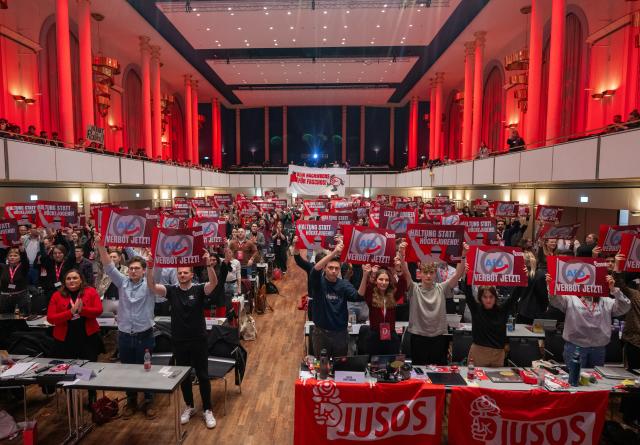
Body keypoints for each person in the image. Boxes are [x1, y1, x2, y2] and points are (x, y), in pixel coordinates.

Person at [146, 251, 218, 429]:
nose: (182, 275)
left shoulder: (199, 289)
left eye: (185, 272)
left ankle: (207, 409)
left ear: (192, 275)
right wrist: (149, 267)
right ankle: (190, 406)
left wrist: (209, 265)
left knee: (202, 375)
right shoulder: (171, 291)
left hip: (199, 339)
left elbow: (214, 283)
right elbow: (152, 286)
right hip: (179, 340)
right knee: (184, 376)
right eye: (179, 273)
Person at [95, 233, 159, 419]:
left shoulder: (149, 285)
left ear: (143, 270)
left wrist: (153, 261)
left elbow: (156, 271)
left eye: (137, 268)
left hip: (144, 334)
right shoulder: (122, 282)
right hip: (124, 335)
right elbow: (108, 265)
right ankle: (131, 401)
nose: (132, 271)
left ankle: (148, 401)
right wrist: (101, 246)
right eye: (130, 268)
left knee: (146, 369)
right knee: (127, 369)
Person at [399, 241, 468, 365]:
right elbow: (406, 273)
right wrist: (402, 255)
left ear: (435, 274)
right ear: (420, 274)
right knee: (419, 371)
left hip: (438, 337)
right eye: (425, 273)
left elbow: (458, 274)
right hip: (418, 336)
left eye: (431, 273)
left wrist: (463, 255)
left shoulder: (442, 287)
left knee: (438, 372)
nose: (428, 276)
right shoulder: (414, 288)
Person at [546, 273, 630, 367]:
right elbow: (555, 300)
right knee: (574, 378)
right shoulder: (571, 298)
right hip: (575, 347)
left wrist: (614, 290)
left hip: (598, 349)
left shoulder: (605, 300)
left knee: (595, 380)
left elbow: (625, 307)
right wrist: (551, 285)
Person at [46, 269, 103, 403]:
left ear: (81, 280)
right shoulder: (57, 295)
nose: (71, 281)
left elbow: (98, 311)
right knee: (68, 369)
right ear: (64, 282)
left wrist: (82, 310)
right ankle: (71, 399)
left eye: (75, 278)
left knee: (89, 368)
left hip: (87, 337)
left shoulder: (91, 291)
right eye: (68, 279)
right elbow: (51, 318)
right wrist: (70, 313)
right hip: (65, 339)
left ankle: (92, 396)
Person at [463, 264, 525, 367]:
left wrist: (523, 276)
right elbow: (468, 293)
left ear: (495, 298)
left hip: (498, 354)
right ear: (480, 298)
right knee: (476, 382)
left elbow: (515, 296)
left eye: (491, 297)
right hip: (478, 352)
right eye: (485, 297)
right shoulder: (476, 309)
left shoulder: (502, 310)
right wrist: (467, 275)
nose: (488, 300)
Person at [309, 240, 361, 358]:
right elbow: (314, 270)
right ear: (325, 269)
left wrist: (366, 274)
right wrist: (333, 254)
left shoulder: (343, 284)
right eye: (330, 268)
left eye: (336, 268)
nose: (333, 271)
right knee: (322, 369)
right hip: (321, 333)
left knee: (339, 369)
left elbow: (358, 297)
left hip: (340, 334)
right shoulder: (318, 283)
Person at [357, 262, 406, 356]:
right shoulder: (371, 296)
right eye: (381, 279)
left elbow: (402, 285)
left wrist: (399, 270)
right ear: (376, 281)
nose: (384, 283)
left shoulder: (393, 296)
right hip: (374, 336)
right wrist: (372, 274)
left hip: (391, 335)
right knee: (374, 367)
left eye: (386, 280)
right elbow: (368, 289)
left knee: (391, 365)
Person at [0, 246, 31, 314]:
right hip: (5, 298)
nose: (12, 257)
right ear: (7, 257)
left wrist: (23, 251)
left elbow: (25, 260)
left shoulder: (23, 267)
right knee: (6, 320)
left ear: (20, 257)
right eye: (10, 255)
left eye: (15, 255)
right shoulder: (3, 267)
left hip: (21, 297)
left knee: (23, 319)